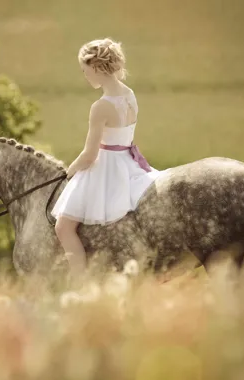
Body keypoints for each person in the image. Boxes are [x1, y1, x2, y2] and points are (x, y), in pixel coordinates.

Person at [51, 37, 162, 276]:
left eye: (85, 70)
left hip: (106, 167)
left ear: (97, 68)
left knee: (64, 227)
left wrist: (67, 172)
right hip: (128, 161)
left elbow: (90, 155)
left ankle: (79, 280)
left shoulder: (100, 107)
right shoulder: (130, 94)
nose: (85, 76)